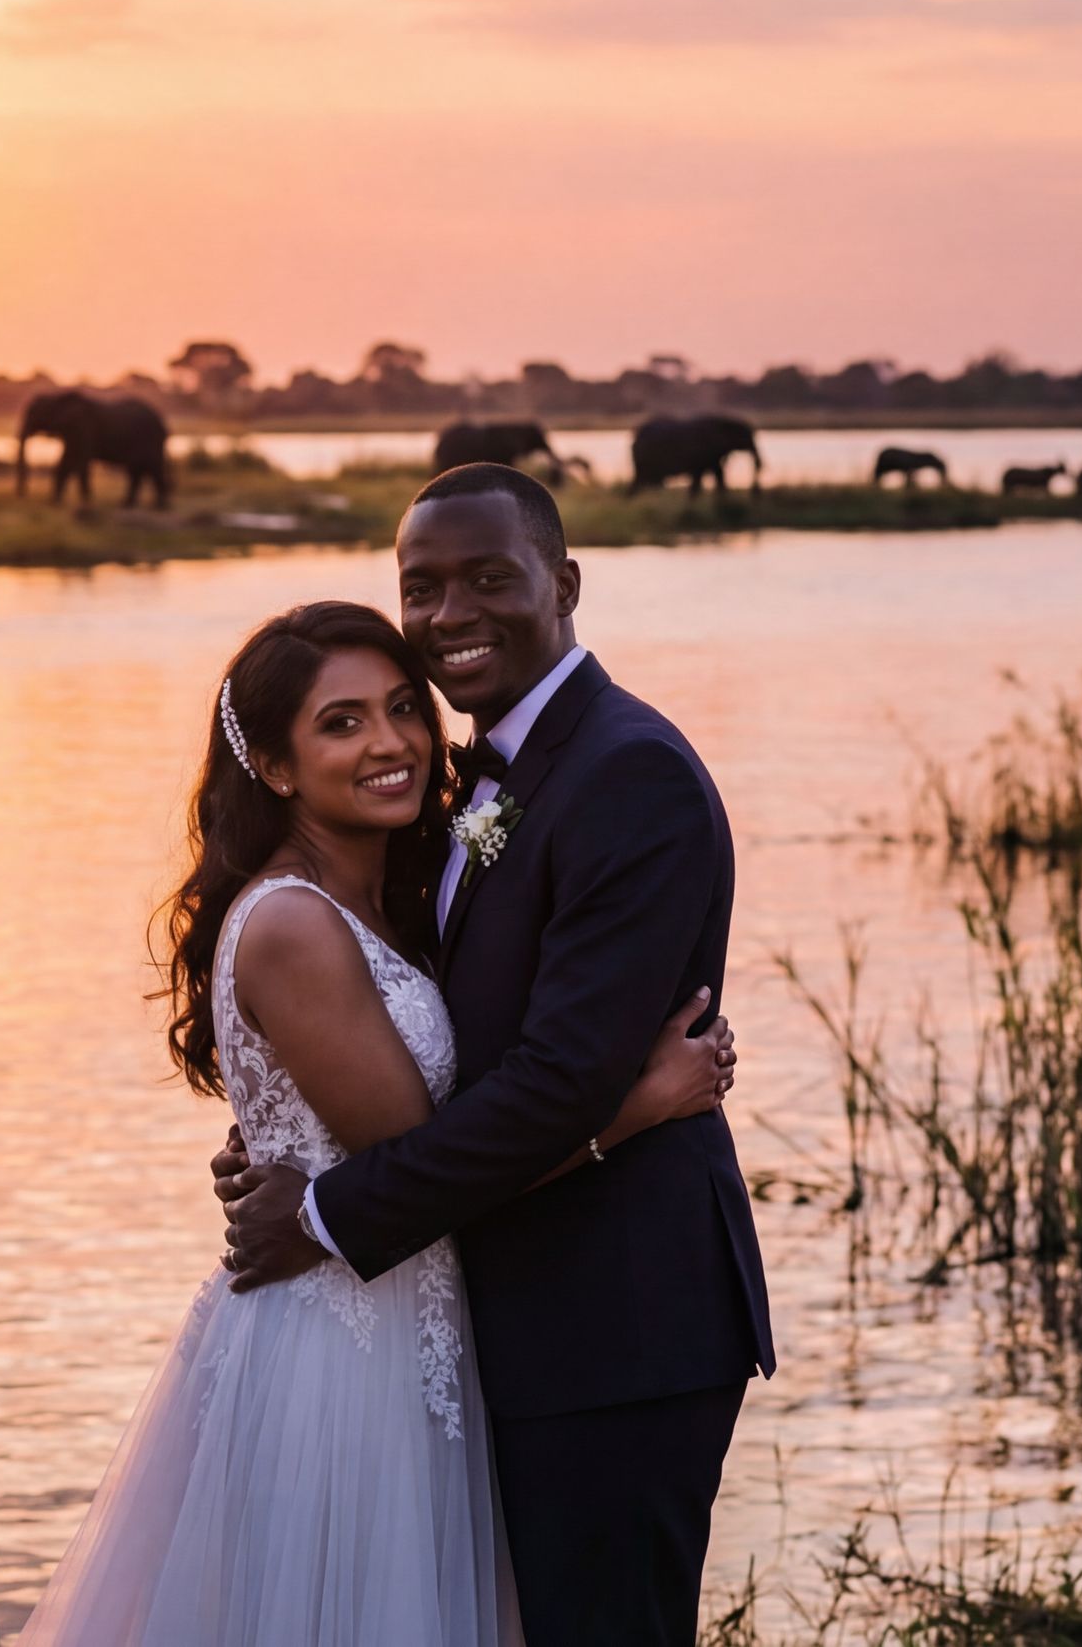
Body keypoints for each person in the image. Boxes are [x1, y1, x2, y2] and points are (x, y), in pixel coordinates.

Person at [19, 597, 737, 1646]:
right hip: (341, 1352)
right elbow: (423, 1160)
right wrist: (633, 1109)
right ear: (272, 766)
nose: (393, 741)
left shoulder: (382, 895)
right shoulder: (296, 925)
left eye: (403, 707)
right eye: (341, 722)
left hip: (412, 1325)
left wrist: (303, 1184)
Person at [215, 463, 776, 1646]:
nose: (450, 615)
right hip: (505, 1324)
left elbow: (557, 1085)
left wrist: (323, 1209)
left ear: (564, 582)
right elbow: (447, 1034)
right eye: (423, 588)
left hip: (618, 1324)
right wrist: (285, 1126)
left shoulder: (624, 771)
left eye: (488, 579)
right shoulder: (489, 779)